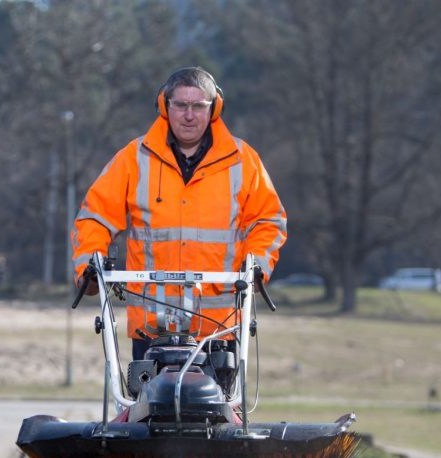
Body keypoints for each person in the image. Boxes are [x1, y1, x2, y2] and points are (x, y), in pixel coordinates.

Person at [71, 66, 287, 359]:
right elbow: (94, 217)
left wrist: (257, 266)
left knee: (220, 405)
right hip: (151, 330)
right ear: (165, 106)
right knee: (147, 405)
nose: (189, 115)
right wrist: (90, 267)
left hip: (219, 329)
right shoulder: (133, 160)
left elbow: (268, 220)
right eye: (181, 105)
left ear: (213, 109)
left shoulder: (242, 161)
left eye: (198, 106)